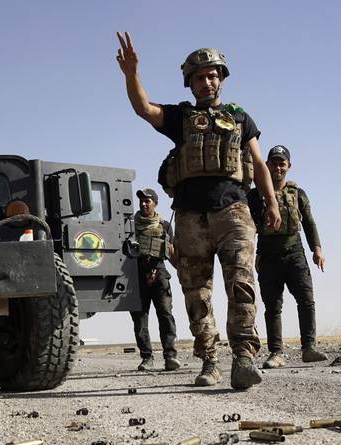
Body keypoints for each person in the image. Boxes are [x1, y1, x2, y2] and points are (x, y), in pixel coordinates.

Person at [116, 32, 281, 389]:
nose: (207, 82)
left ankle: (244, 357)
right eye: (199, 77)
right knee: (197, 292)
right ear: (189, 83)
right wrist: (132, 75)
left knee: (241, 283)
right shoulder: (181, 117)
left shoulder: (240, 118)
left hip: (234, 211)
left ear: (220, 78)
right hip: (190, 216)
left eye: (212, 75)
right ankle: (209, 361)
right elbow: (144, 108)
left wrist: (271, 202)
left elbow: (258, 162)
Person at [247, 145, 327, 368]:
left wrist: (317, 249)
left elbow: (309, 222)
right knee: (272, 305)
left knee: (306, 300)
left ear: (289, 166)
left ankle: (308, 348)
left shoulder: (298, 194)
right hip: (268, 255)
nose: (278, 167)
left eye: (282, 163)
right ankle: (276, 353)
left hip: (295, 253)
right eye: (273, 163)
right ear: (267, 166)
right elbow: (247, 227)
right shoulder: (254, 196)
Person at [130, 187, 180, 372]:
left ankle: (170, 356)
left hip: (159, 273)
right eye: (141, 201)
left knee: (165, 315)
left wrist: (182, 272)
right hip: (136, 275)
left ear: (155, 203)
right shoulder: (130, 226)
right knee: (140, 319)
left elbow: (172, 252)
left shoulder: (165, 225)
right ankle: (146, 358)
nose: (144, 203)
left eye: (147, 200)